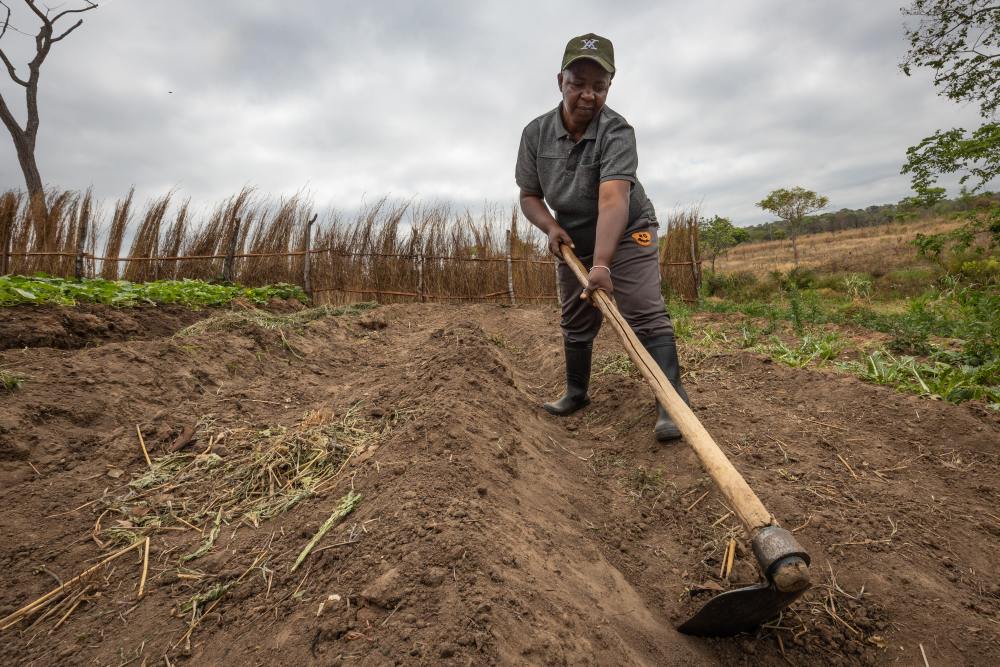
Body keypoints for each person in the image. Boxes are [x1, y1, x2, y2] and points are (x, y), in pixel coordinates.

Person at [515, 32, 690, 441]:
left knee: (643, 308)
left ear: (610, 86)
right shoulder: (535, 134)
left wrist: (602, 264)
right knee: (576, 316)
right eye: (578, 84)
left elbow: (614, 199)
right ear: (560, 81)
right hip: (575, 237)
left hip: (628, 231)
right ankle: (576, 393)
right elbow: (529, 195)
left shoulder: (617, 131)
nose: (588, 95)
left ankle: (672, 401)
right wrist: (550, 227)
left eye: (599, 86)